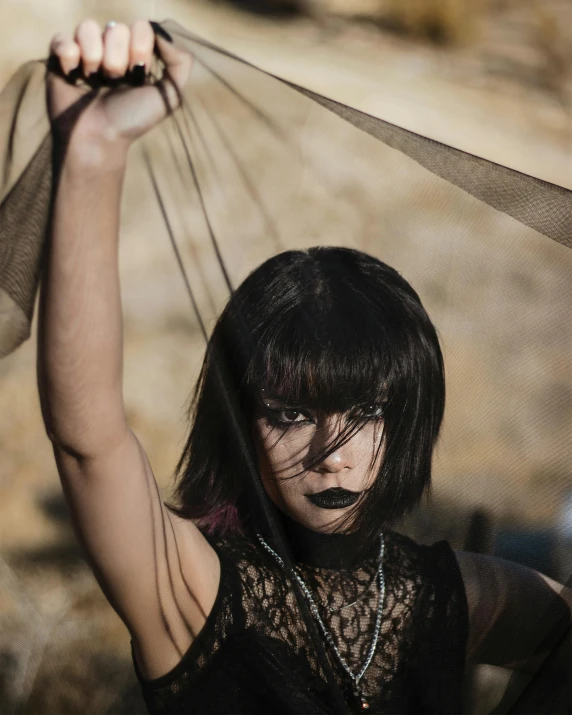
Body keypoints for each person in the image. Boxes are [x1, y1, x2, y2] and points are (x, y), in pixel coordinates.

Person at [39, 18, 571, 715]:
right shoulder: (193, 593)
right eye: (290, 413)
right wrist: (94, 154)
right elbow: (88, 441)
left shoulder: (453, 597)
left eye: (366, 411)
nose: (332, 454)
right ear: (238, 417)